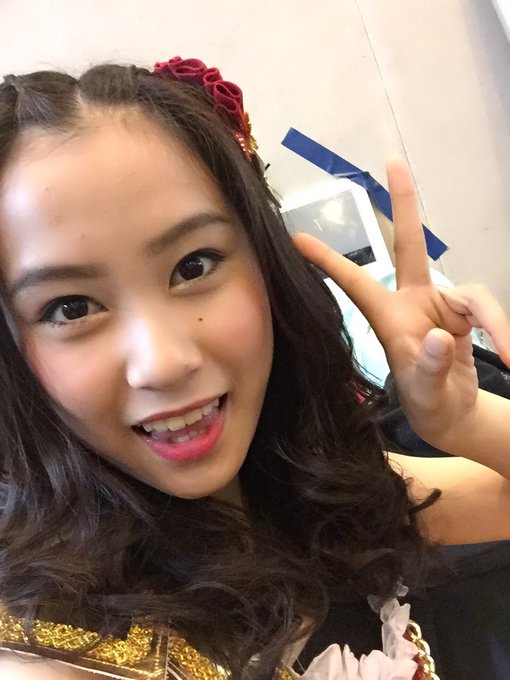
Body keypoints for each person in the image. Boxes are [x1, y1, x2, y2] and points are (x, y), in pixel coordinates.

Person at [0, 56, 508, 680]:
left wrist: (462, 421)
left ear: (266, 266)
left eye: (193, 266)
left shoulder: (301, 491)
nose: (164, 362)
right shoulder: (54, 653)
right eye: (71, 308)